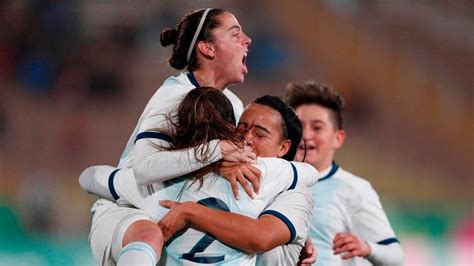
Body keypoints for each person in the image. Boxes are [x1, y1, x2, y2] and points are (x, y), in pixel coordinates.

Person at [84, 8, 256, 266]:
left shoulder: (234, 104)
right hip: (130, 210)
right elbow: (144, 169)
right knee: (149, 234)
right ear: (207, 49)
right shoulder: (174, 96)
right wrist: (217, 149)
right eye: (235, 34)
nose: (247, 40)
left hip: (177, 210)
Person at [80, 89, 319, 264]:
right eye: (242, 128)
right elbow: (310, 172)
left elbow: (260, 237)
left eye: (260, 134)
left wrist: (190, 211)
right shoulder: (280, 178)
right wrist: (215, 164)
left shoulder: (294, 193)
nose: (246, 138)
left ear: (284, 147)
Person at [285, 81, 404, 265]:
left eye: (317, 127)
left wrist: (367, 247)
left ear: (338, 138)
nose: (306, 135)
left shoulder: (353, 189)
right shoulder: (273, 178)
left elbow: (396, 256)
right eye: (299, 126)